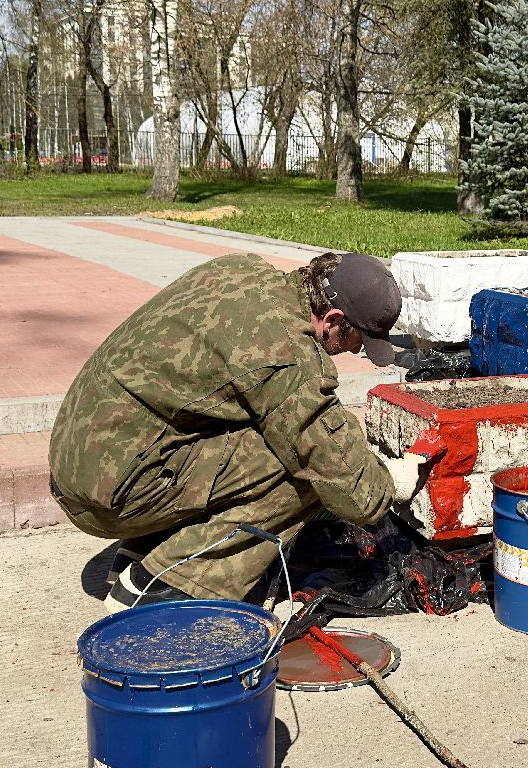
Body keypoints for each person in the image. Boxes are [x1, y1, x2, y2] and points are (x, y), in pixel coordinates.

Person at [49, 250, 427, 611]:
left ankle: (148, 546)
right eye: (356, 340)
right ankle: (165, 586)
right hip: (108, 495)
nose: (352, 352)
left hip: (83, 456)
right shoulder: (287, 357)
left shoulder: (241, 271)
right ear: (331, 320)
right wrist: (390, 480)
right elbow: (355, 493)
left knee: (265, 426)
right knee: (308, 467)